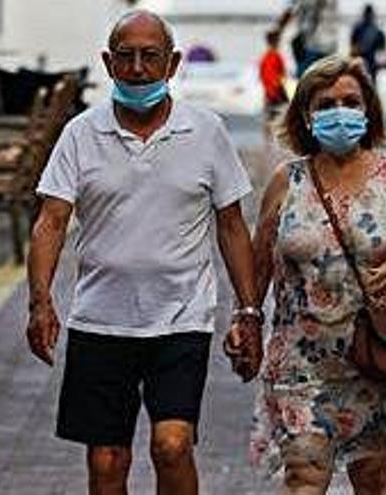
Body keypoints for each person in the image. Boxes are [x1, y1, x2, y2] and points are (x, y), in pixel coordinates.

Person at [27, 10, 261, 495]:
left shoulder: (206, 132)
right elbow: (51, 221)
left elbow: (232, 226)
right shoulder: (81, 133)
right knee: (107, 460)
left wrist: (249, 310)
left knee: (171, 445)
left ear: (172, 64)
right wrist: (40, 300)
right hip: (100, 320)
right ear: (108, 64)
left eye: (150, 57)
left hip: (180, 319)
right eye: (126, 58)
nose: (137, 68)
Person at [240, 55, 386, 493]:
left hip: (378, 354)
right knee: (304, 474)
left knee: (372, 479)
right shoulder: (286, 180)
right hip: (300, 360)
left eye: (350, 101)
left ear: (368, 109)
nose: (339, 111)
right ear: (306, 116)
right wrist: (248, 321)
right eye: (326, 103)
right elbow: (257, 265)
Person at [275, 0, 339, 78]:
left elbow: (291, 9)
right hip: (328, 44)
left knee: (305, 79)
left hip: (310, 46)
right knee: (326, 79)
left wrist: (278, 29)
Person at [259, 29, 288, 137]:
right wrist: (276, 92)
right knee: (275, 119)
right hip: (275, 92)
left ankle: (269, 142)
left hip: (270, 92)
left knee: (270, 119)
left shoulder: (266, 56)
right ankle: (270, 143)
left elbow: (264, 76)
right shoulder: (273, 56)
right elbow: (271, 76)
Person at [350, 4, 386, 83]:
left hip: (369, 61)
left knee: (368, 81)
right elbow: (353, 45)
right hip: (363, 60)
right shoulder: (372, 29)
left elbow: (381, 48)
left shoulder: (376, 30)